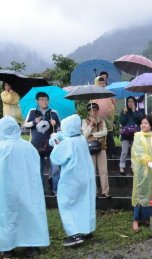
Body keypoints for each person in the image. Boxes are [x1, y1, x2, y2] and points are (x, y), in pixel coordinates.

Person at [0, 116, 50, 259]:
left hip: (7, 187)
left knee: (7, 215)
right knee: (30, 213)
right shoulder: (28, 146)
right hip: (28, 186)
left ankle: (7, 248)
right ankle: (32, 245)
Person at [51, 114, 96, 247]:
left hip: (72, 179)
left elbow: (56, 158)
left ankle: (75, 234)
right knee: (84, 202)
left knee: (67, 203)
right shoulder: (81, 138)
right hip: (86, 177)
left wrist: (56, 144)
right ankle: (86, 230)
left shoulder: (68, 143)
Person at [23, 91, 61, 195]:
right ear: (37, 101)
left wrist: (56, 124)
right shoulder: (32, 111)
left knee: (55, 169)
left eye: (45, 99)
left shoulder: (54, 112)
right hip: (36, 145)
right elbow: (25, 125)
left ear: (48, 101)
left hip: (52, 145)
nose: (44, 101)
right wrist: (34, 122)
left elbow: (60, 129)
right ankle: (39, 191)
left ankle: (56, 190)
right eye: (41, 99)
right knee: (37, 169)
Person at [82, 103, 110, 197]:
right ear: (88, 112)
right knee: (91, 170)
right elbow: (85, 135)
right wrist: (90, 125)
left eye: (95, 110)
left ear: (98, 111)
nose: (94, 112)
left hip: (101, 147)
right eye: (91, 110)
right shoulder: (85, 121)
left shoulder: (102, 121)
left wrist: (93, 135)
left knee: (104, 170)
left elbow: (105, 132)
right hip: (90, 148)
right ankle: (93, 191)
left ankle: (105, 191)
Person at [92, 76, 117, 158]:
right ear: (96, 84)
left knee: (109, 136)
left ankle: (112, 153)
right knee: (100, 136)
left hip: (108, 119)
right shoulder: (93, 94)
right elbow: (91, 106)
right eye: (100, 83)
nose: (102, 85)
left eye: (103, 83)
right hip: (98, 120)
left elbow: (114, 103)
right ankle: (101, 153)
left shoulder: (109, 93)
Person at [119, 96, 144, 176]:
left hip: (135, 135)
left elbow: (140, 120)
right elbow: (122, 121)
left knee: (134, 152)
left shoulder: (138, 111)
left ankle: (133, 166)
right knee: (124, 151)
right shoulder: (124, 111)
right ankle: (121, 166)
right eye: (129, 101)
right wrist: (124, 113)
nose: (130, 103)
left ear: (135, 102)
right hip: (125, 135)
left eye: (132, 101)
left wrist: (134, 111)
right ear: (126, 103)